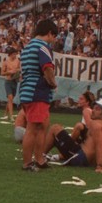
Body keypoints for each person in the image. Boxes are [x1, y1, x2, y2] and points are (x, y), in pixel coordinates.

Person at [44, 98, 102, 172]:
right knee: (79, 130)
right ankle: (54, 156)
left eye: (97, 109)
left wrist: (99, 166)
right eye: (93, 108)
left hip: (80, 158)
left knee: (55, 128)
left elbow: (99, 145)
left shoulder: (95, 124)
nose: (93, 111)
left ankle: (40, 157)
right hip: (89, 160)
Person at [18, 19, 59, 171]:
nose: (54, 40)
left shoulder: (28, 47)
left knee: (43, 126)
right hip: (38, 91)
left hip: (28, 90)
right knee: (33, 128)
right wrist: (53, 83)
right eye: (54, 36)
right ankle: (28, 163)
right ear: (49, 33)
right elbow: (47, 68)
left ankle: (40, 160)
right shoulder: (43, 47)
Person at [0, 47, 20, 120]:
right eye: (14, 54)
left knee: (10, 100)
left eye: (15, 54)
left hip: (15, 81)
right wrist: (9, 72)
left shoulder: (18, 61)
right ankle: (11, 116)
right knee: (10, 98)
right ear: (10, 54)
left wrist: (16, 71)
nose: (15, 55)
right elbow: (2, 73)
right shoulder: (6, 62)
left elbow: (20, 69)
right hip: (8, 81)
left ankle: (5, 113)